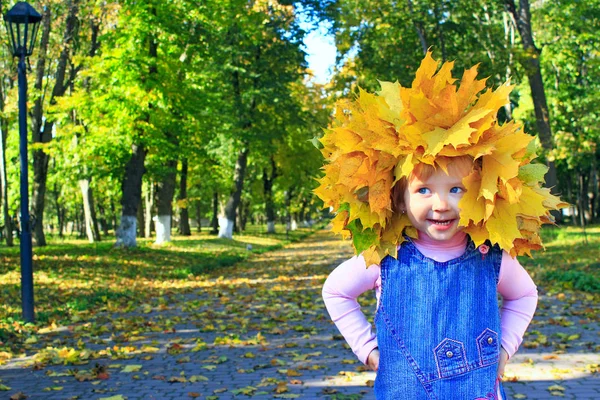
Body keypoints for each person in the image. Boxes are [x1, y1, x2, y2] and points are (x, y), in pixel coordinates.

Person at [315, 52, 565, 399]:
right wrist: (368, 349)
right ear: (399, 198)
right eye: (423, 190)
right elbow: (336, 291)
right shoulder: (386, 257)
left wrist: (505, 348)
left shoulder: (489, 256)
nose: (442, 203)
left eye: (457, 189)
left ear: (480, 191)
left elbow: (524, 294)